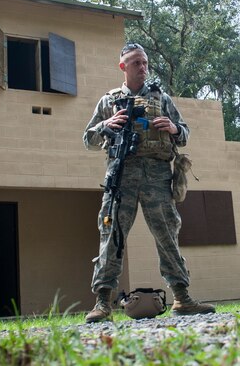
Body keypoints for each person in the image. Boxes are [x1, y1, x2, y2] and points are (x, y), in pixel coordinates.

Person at [82, 43, 214, 322]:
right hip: (121, 176)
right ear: (123, 67)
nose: (142, 67)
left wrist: (174, 128)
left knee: (167, 235)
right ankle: (103, 303)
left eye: (144, 62)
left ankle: (182, 298)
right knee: (111, 237)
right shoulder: (108, 101)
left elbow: (185, 133)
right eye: (136, 63)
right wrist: (106, 125)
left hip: (157, 176)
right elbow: (88, 140)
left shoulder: (161, 98)